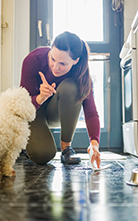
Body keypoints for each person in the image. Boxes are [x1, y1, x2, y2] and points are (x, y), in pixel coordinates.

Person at [20, 31, 101, 167]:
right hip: (34, 112)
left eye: (63, 64)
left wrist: (94, 144)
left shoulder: (81, 73)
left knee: (71, 87)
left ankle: (66, 149)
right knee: (43, 155)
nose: (55, 67)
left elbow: (91, 111)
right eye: (52, 59)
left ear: (75, 61)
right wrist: (40, 98)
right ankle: (26, 146)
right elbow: (22, 106)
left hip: (56, 112)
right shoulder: (33, 60)